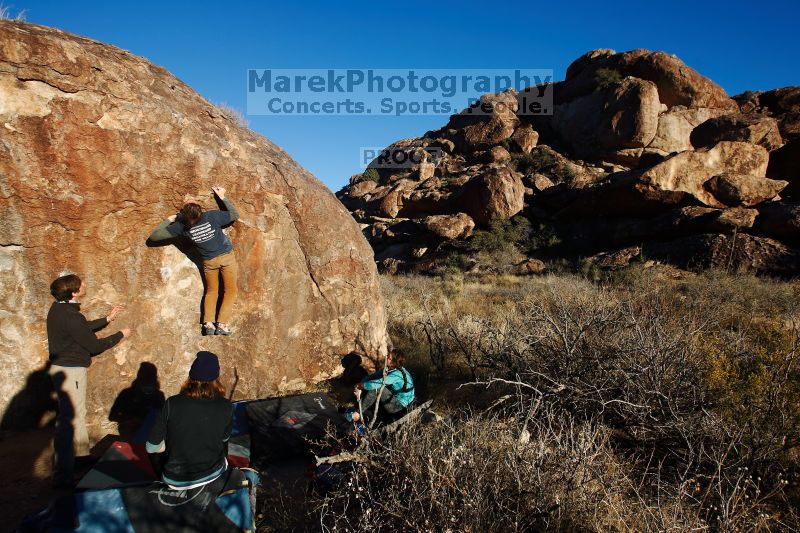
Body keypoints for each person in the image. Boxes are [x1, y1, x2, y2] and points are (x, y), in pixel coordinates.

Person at [46, 273, 131, 487]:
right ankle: (64, 473)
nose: (84, 285)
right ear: (74, 293)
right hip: (71, 371)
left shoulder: (57, 309)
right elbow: (93, 346)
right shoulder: (72, 316)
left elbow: (79, 329)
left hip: (61, 369)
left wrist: (106, 320)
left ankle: (81, 457)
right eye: (80, 284)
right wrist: (120, 335)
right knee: (72, 420)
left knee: (73, 415)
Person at [148, 186, 240, 336]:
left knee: (212, 291)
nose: (191, 199)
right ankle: (222, 324)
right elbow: (234, 214)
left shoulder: (181, 227)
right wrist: (222, 196)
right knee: (230, 291)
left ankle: (208, 324)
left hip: (209, 262)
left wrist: (170, 219)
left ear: (183, 214)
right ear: (200, 210)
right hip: (226, 257)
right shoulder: (211, 217)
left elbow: (154, 236)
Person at [146, 351, 233, 489]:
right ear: (216, 377)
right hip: (213, 473)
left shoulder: (172, 403)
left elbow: (151, 447)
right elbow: (224, 440)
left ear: (191, 376)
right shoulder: (226, 406)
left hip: (175, 479)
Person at [345, 349, 415, 424]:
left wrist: (361, 386)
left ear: (394, 362)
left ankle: (358, 414)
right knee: (369, 384)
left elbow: (376, 383)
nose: (386, 357)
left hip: (400, 407)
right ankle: (360, 408)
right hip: (394, 399)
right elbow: (373, 377)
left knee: (377, 388)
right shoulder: (390, 369)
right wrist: (361, 384)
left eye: (389, 358)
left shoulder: (396, 375)